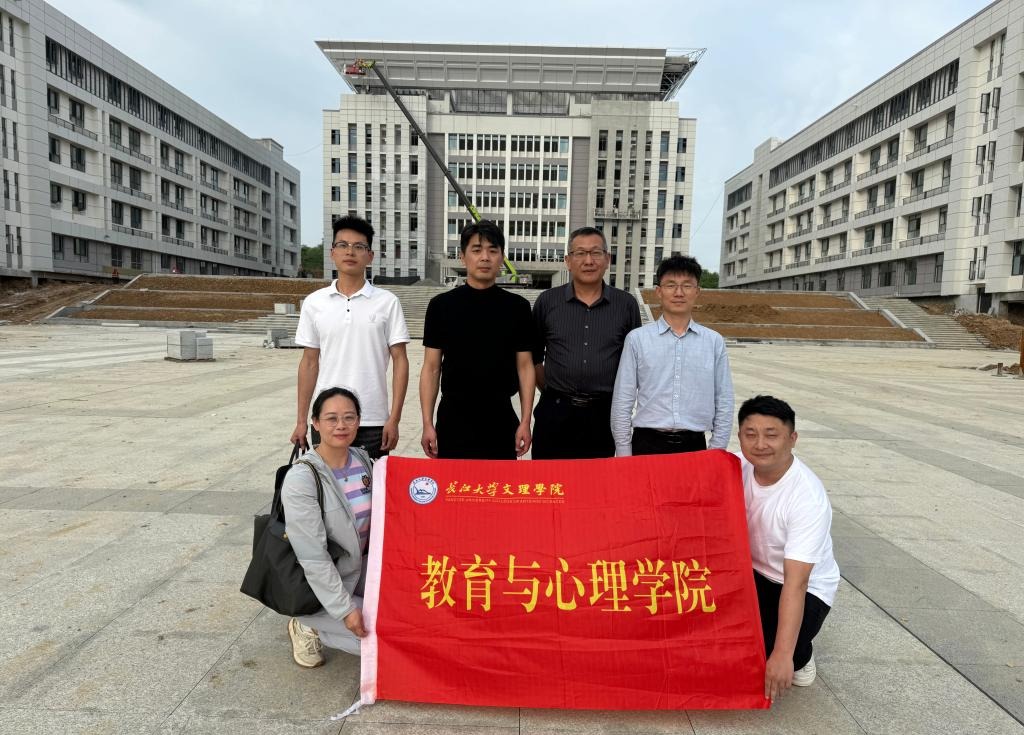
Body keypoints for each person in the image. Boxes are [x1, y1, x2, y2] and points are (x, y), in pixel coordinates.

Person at [736, 395, 839, 700]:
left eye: (771, 435)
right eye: (750, 434)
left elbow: (797, 583)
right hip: (751, 572)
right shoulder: (736, 465)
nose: (760, 444)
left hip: (801, 588)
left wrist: (783, 655)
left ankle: (801, 655)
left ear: (792, 439)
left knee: (762, 659)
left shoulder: (807, 498)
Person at [291, 215, 410, 459]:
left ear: (370, 256)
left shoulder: (387, 302)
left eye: (359, 246)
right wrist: (301, 420)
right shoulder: (315, 303)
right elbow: (309, 363)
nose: (350, 252)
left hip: (373, 419)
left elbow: (400, 361)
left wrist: (394, 418)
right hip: (327, 418)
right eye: (343, 245)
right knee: (328, 482)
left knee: (372, 483)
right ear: (332, 252)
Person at [420, 220, 535, 459]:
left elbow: (525, 367)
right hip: (453, 418)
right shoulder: (441, 306)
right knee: (453, 483)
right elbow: (431, 368)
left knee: (499, 483)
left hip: (500, 418)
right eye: (476, 250)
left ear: (502, 258)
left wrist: (525, 421)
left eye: (493, 251)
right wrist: (427, 423)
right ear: (463, 257)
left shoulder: (518, 308)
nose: (485, 257)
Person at [282, 387, 374, 667]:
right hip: (316, 585)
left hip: (357, 568)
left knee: (407, 616)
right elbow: (313, 556)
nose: (341, 425)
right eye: (331, 418)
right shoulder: (302, 478)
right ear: (315, 423)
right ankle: (308, 625)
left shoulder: (364, 461)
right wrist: (345, 609)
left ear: (359, 421)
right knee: (380, 642)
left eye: (349, 417)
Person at [531, 227, 641, 459]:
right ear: (568, 261)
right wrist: (551, 391)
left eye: (596, 253)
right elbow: (534, 357)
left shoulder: (626, 305)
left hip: (604, 415)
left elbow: (634, 363)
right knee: (550, 479)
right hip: (555, 413)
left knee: (599, 480)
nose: (588, 261)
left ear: (607, 259)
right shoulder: (547, 301)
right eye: (580, 253)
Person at [610, 255, 733, 456]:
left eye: (687, 285)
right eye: (671, 285)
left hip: (694, 446)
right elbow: (623, 400)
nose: (679, 293)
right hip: (647, 445)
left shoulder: (713, 342)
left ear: (697, 291)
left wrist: (716, 451)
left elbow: (724, 400)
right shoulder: (637, 339)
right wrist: (624, 453)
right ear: (659, 291)